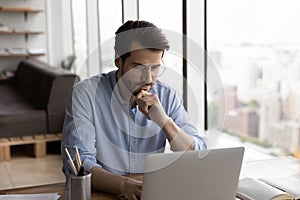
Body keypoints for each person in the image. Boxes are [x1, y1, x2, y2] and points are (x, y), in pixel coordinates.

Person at [61, 20, 206, 200]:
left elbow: (198, 154)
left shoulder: (167, 96)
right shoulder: (86, 94)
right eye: (138, 68)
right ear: (118, 60)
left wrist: (165, 122)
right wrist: (124, 185)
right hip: (103, 194)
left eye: (155, 68)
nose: (148, 78)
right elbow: (77, 162)